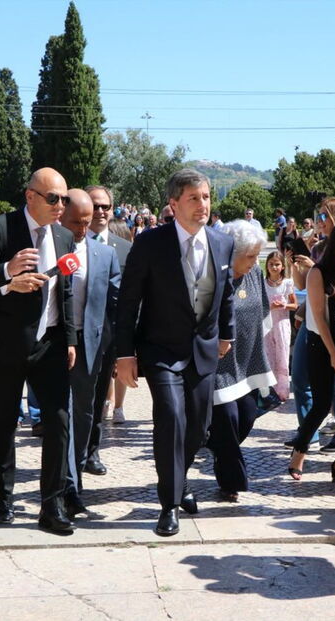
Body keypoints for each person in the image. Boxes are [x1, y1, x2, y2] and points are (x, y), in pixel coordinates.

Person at [115, 168, 235, 537]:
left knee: (197, 427)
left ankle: (179, 482)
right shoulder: (150, 243)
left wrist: (227, 334)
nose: (203, 205)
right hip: (160, 349)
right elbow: (128, 301)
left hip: (204, 349)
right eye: (194, 198)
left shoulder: (222, 242)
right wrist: (124, 354)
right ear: (174, 204)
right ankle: (169, 505)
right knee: (170, 418)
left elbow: (226, 293)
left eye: (206, 197)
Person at [0, 167, 77, 534]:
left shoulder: (64, 235)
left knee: (58, 421)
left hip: (50, 344)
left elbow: (66, 292)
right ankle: (4, 495)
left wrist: (71, 339)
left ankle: (52, 505)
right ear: (30, 196)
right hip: (5, 344)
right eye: (53, 198)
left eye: (64, 199)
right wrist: (7, 275)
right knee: (3, 422)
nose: (60, 206)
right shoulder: (0, 228)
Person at [287, 221, 335, 487]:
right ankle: (300, 450)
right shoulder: (317, 273)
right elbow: (318, 316)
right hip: (321, 344)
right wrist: (333, 353)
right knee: (321, 403)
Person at [61, 189, 120, 515]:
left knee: (83, 414)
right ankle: (64, 485)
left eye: (86, 223)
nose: (82, 229)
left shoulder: (104, 254)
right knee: (60, 416)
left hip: (89, 346)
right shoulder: (47, 248)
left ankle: (74, 479)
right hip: (53, 343)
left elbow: (118, 302)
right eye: (76, 222)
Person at [208, 220, 274, 501]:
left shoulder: (254, 273)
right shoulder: (214, 276)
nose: (254, 261)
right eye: (249, 256)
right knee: (228, 419)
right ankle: (232, 481)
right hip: (219, 363)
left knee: (246, 416)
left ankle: (215, 446)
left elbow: (263, 310)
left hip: (247, 360)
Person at [286, 198, 335, 450]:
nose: (319, 221)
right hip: (312, 321)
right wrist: (295, 264)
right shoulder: (318, 247)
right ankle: (308, 434)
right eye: (319, 216)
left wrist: (314, 267)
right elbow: (302, 284)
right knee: (299, 377)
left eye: (324, 216)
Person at [86, 184, 132, 437]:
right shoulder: (67, 242)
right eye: (95, 206)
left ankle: (92, 448)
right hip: (74, 336)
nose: (100, 211)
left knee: (100, 396)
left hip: (109, 336)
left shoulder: (125, 248)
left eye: (106, 206)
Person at [263, 250, 296, 404]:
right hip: (266, 324)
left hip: (282, 324)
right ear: (267, 266)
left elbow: (294, 304)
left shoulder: (287, 283)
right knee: (268, 355)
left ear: (282, 266)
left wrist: (283, 305)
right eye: (271, 264)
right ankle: (269, 390)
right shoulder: (262, 283)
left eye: (277, 264)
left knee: (282, 356)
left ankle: (282, 390)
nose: (274, 267)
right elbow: (258, 304)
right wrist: (269, 306)